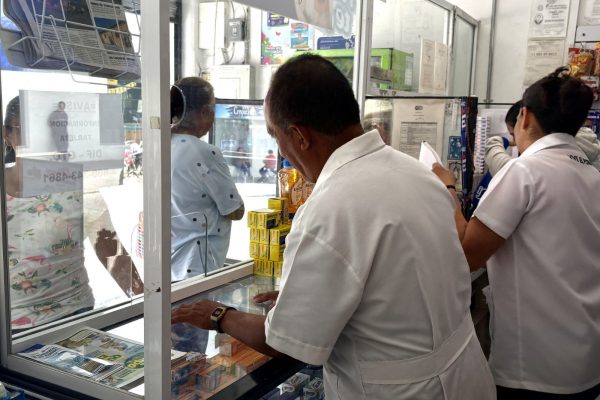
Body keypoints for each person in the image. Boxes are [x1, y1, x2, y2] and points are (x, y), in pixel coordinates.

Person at [172, 54, 495, 399]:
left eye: (276, 137)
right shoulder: (416, 172)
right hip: (466, 376)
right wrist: (311, 295)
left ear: (299, 136)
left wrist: (218, 314)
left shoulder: (327, 209)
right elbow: (404, 280)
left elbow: (285, 343)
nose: (282, 152)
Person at [433, 67, 600, 399]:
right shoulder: (591, 176)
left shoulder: (525, 172)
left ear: (524, 117)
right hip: (586, 357)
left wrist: (447, 188)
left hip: (535, 370)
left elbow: (467, 254)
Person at [3, 96, 94, 331]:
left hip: (76, 310)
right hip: (14, 324)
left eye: (55, 129)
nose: (43, 139)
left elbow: (106, 240)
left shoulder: (75, 182)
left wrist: (146, 301)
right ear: (7, 135)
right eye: (30, 130)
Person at [170, 77, 244, 281]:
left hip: (166, 264)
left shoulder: (159, 144)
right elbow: (234, 210)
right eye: (213, 108)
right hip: (197, 264)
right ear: (204, 112)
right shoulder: (204, 152)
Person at [486, 100, 600, 176]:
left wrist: (494, 143)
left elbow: (509, 172)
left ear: (525, 122)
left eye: (513, 134)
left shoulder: (553, 156)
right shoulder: (579, 145)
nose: (515, 142)